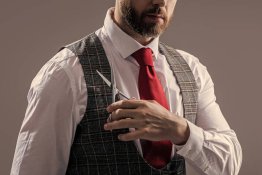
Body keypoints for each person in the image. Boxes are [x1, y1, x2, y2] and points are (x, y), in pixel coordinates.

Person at [11, 0, 242, 174]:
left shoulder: (191, 69)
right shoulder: (66, 72)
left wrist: (179, 130)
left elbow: (228, 163)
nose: (161, 1)